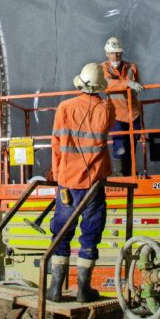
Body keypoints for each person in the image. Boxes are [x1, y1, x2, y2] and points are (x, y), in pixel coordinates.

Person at [47, 63, 115, 303]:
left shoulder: (64, 107)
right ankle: (83, 291)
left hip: (67, 181)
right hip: (93, 184)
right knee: (90, 234)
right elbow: (110, 120)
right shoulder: (106, 107)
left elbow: (56, 144)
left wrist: (57, 174)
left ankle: (55, 288)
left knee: (61, 231)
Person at [101, 36, 143, 176]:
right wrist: (127, 83)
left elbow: (138, 87)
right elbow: (107, 84)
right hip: (116, 115)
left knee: (132, 145)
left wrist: (131, 85)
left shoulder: (132, 67)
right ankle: (120, 177)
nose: (115, 55)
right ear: (107, 53)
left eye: (118, 52)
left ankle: (131, 174)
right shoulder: (104, 68)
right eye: (112, 53)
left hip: (133, 113)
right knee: (120, 146)